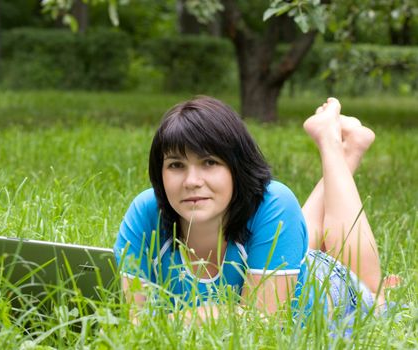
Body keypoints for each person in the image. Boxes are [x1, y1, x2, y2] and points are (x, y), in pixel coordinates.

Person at [113, 96, 395, 321]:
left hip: (320, 285)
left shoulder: (274, 201)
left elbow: (260, 321)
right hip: (278, 261)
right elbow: (132, 319)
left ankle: (333, 144)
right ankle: (350, 148)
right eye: (176, 165)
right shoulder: (146, 211)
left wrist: (169, 321)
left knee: (374, 295)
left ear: (237, 166)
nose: (192, 181)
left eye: (209, 162)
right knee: (288, 237)